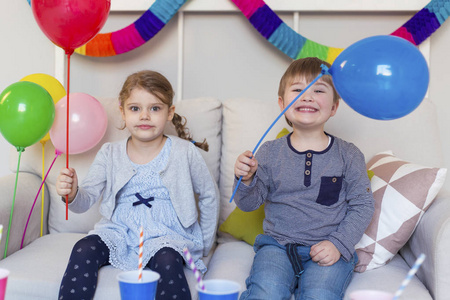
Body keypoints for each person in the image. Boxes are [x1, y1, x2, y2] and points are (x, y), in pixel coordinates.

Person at [56, 70, 219, 300]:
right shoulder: (110, 153)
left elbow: (209, 195)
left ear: (170, 112)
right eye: (135, 108)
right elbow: (87, 197)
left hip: (167, 233)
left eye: (155, 108)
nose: (144, 116)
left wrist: (204, 244)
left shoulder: (184, 152)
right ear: (122, 112)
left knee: (167, 260)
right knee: (83, 249)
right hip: (118, 231)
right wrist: (72, 194)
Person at [233, 57, 375, 300]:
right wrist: (245, 180)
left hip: (328, 249)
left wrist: (338, 244)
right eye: (298, 90)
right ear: (282, 103)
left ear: (333, 107)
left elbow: (362, 206)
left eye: (318, 90)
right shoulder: (269, 152)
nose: (307, 96)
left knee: (320, 294)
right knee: (265, 293)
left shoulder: (348, 154)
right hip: (276, 247)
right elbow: (249, 204)